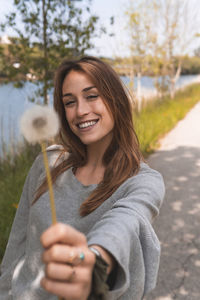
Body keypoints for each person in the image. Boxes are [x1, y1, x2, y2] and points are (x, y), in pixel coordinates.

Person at [0, 56, 165, 300]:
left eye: (92, 96)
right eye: (69, 102)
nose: (80, 111)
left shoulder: (143, 181)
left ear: (115, 99)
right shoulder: (48, 163)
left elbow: (126, 222)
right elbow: (16, 246)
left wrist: (95, 262)